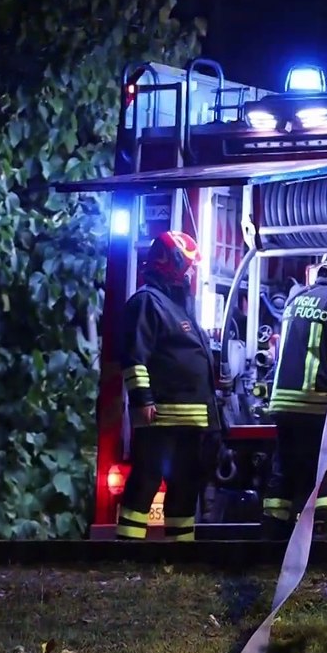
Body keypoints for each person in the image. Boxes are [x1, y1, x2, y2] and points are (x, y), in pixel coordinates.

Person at [261, 242, 327, 541]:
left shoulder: (296, 299)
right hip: (321, 405)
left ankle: (270, 539)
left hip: (283, 404)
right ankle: (319, 540)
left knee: (285, 470)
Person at [116, 230, 217, 541]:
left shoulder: (177, 305)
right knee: (146, 481)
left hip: (192, 418)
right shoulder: (147, 302)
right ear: (171, 262)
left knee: (185, 486)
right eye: (186, 264)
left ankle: (179, 554)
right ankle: (127, 552)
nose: (189, 272)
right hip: (161, 416)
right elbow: (134, 357)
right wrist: (143, 400)